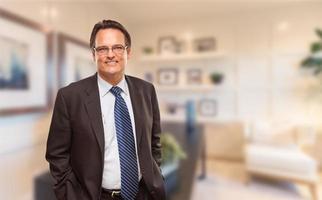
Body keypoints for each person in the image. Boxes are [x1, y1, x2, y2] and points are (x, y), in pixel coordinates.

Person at [46, 19, 165, 200]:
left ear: (128, 52)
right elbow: (57, 155)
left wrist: (156, 178)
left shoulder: (146, 90)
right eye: (102, 49)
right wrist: (69, 195)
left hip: (144, 193)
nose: (111, 54)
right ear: (94, 55)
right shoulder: (69, 96)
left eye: (118, 47)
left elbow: (154, 143)